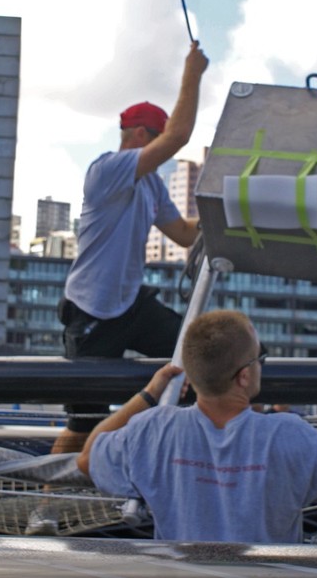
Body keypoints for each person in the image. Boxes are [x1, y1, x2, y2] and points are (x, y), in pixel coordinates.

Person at [76, 309, 317, 544]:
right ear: (244, 376)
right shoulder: (289, 435)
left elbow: (87, 457)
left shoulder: (154, 429)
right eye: (259, 358)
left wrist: (150, 392)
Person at [52, 40, 209, 454]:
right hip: (91, 309)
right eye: (155, 139)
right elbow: (178, 136)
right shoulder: (108, 170)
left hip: (129, 305)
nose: (162, 148)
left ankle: (135, 448)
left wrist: (226, 212)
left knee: (198, 357)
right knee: (82, 423)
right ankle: (45, 502)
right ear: (140, 134)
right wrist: (192, 72)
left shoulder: (152, 185)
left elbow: (184, 234)